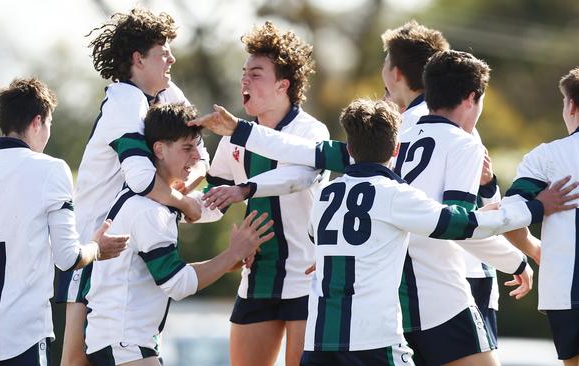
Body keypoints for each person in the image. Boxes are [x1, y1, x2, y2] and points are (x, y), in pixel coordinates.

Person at [193, 50, 544, 365]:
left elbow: (305, 151)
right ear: (473, 98)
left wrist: (240, 130)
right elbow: (458, 226)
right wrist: (520, 242)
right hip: (432, 300)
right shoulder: (459, 145)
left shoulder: (369, 159)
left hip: (359, 317)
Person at [301, 98, 574, 366]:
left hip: (318, 340)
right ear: (397, 149)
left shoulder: (325, 194)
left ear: (349, 148)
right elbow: (461, 225)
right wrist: (535, 208)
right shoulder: (396, 196)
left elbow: (318, 237)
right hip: (372, 342)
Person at [55, 9, 210, 366]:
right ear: (138, 59)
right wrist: (185, 205)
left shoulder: (169, 92)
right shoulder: (125, 99)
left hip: (130, 242)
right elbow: (142, 180)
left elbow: (202, 158)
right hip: (97, 246)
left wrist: (183, 189)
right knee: (77, 360)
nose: (172, 57)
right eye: (162, 51)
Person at [0, 77, 128, 365]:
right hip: (23, 334)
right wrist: (96, 246)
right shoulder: (51, 169)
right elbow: (67, 258)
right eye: (49, 124)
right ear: (37, 121)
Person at [84, 103, 274, 366]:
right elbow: (178, 284)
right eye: (187, 148)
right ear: (159, 150)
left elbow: (206, 209)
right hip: (125, 344)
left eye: (196, 146)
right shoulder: (149, 211)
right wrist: (233, 252)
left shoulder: (151, 201)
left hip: (121, 342)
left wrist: (229, 260)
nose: (197, 157)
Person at [201, 21, 330, 366]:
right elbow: (213, 199)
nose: (245, 80)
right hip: (258, 275)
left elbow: (300, 177)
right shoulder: (233, 138)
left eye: (256, 74)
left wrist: (245, 189)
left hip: (307, 276)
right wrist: (178, 200)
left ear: (282, 86)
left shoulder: (311, 130)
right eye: (244, 72)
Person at [502, 67, 579, 366]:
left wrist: (533, 249)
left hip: (569, 292)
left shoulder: (547, 157)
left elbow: (509, 218)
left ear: (571, 105)